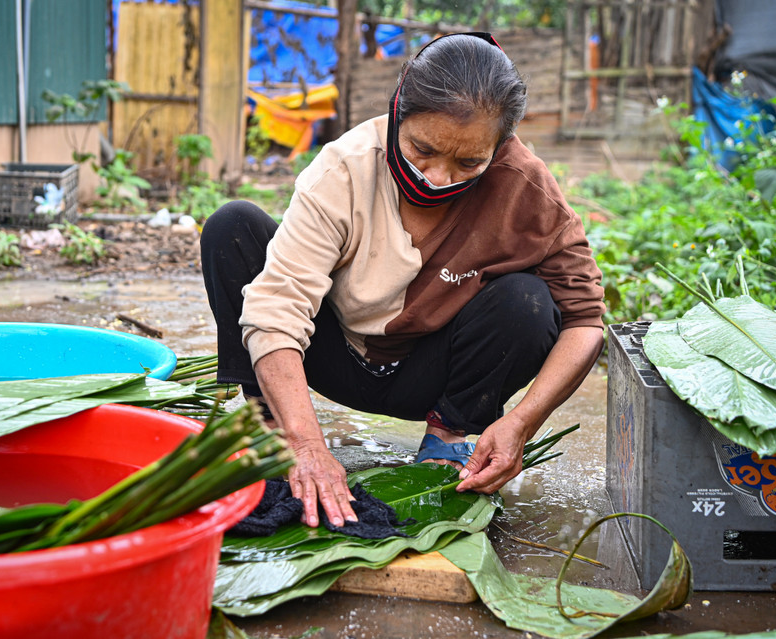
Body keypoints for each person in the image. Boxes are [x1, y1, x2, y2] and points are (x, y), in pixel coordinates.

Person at [201, 32, 606, 529]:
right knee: (233, 227)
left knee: (527, 301)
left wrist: (520, 423)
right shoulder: (346, 168)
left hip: (431, 376)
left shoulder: (527, 189)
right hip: (331, 357)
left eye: (469, 162)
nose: (438, 176)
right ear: (397, 110)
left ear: (499, 147)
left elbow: (586, 321)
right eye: (422, 149)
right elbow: (277, 312)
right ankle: (268, 425)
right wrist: (307, 442)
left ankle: (451, 435)